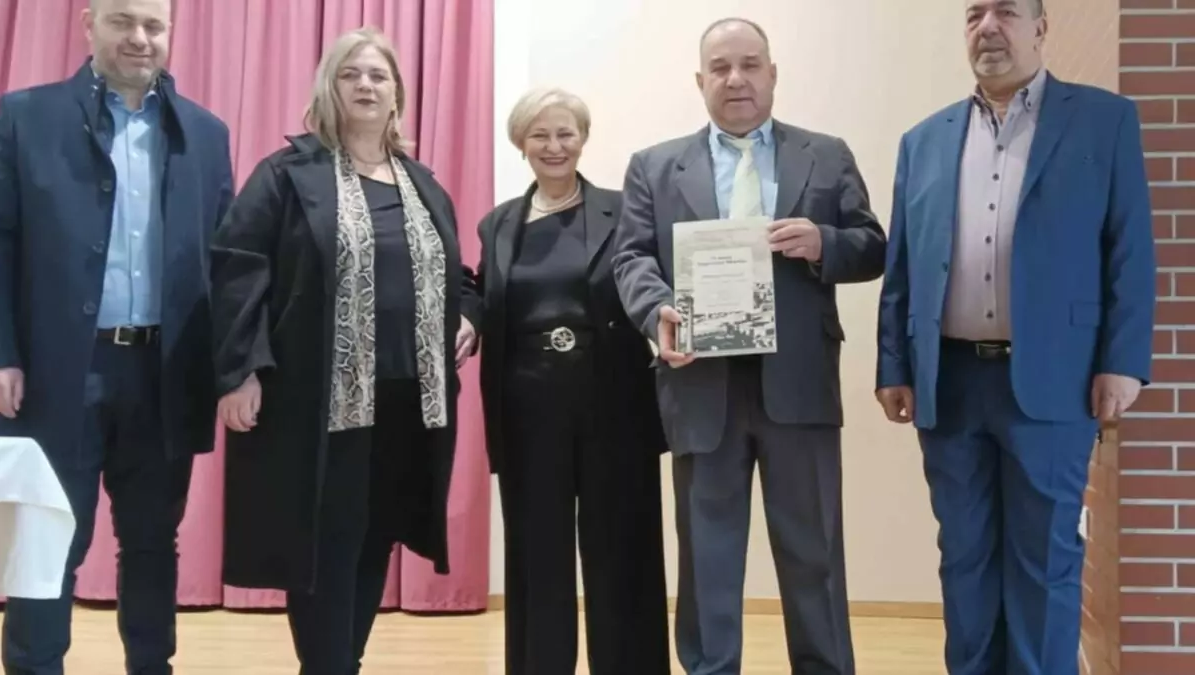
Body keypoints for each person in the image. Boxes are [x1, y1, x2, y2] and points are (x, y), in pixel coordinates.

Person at [875, 1, 1155, 673]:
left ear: (1040, 28)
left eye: (1006, 11)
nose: (988, 27)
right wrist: (893, 364)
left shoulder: (1104, 121)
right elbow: (903, 264)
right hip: (949, 383)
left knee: (1044, 559)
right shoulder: (924, 140)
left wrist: (1122, 360)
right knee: (964, 556)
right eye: (974, 14)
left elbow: (1130, 249)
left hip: (1055, 379)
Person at [612, 17, 886, 675]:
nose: (736, 79)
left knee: (815, 556)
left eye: (750, 64)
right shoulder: (654, 166)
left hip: (799, 386)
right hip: (699, 385)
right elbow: (630, 258)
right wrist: (657, 311)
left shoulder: (826, 155)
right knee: (706, 560)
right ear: (700, 80)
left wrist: (824, 243)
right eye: (721, 67)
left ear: (772, 73)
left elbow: (872, 245)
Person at [209, 27, 480, 675]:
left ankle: (340, 662)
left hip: (407, 399)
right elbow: (237, 269)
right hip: (317, 400)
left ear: (397, 94)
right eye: (350, 74)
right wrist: (240, 370)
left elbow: (459, 274)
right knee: (326, 543)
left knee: (374, 535)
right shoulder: (287, 174)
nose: (365, 85)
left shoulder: (421, 183)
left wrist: (469, 314)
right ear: (329, 88)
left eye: (378, 75)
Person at [0, 0, 233, 672]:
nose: (139, 38)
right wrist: (0, 351)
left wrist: (234, 367)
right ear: (88, 25)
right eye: (122, 21)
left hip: (164, 372)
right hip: (57, 372)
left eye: (153, 25)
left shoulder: (207, 134)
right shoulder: (25, 116)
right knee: (47, 541)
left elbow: (226, 262)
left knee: (153, 543)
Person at [474, 87, 670, 675]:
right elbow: (479, 292)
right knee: (538, 559)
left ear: (583, 138)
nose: (554, 146)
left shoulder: (625, 210)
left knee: (623, 553)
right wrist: (464, 317)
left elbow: (656, 281)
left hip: (614, 405)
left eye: (566, 133)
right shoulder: (496, 224)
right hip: (527, 411)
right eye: (540, 134)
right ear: (521, 143)